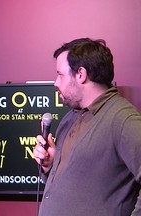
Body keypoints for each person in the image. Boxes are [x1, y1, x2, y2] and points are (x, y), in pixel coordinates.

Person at [33, 38, 141, 216]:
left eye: (60, 75)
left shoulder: (124, 120)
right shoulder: (70, 118)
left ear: (81, 74)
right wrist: (50, 166)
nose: (55, 83)